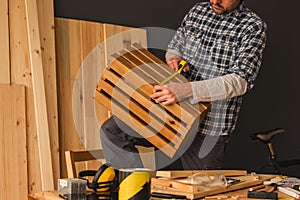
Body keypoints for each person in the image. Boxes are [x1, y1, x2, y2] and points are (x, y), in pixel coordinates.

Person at [100, 0, 267, 170]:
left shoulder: (252, 26)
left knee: (202, 190)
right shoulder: (198, 11)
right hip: (169, 112)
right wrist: (173, 58)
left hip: (208, 128)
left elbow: (240, 81)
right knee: (113, 132)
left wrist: (187, 90)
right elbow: (175, 47)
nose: (215, 1)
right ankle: (137, 188)